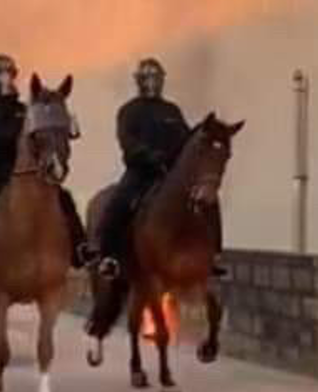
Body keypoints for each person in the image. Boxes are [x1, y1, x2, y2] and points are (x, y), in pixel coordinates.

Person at [0, 53, 94, 277]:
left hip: (25, 173)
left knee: (64, 198)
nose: (6, 79)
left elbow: (38, 141)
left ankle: (79, 249)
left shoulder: (26, 112)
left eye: (9, 74)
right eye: (0, 75)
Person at [95, 57, 228, 282]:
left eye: (158, 78)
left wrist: (200, 132)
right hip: (140, 172)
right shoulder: (129, 111)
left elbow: (185, 140)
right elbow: (127, 141)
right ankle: (108, 257)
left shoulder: (172, 110)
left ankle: (213, 254)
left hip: (170, 174)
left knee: (209, 200)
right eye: (151, 78)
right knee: (117, 203)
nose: (156, 83)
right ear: (141, 81)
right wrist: (148, 156)